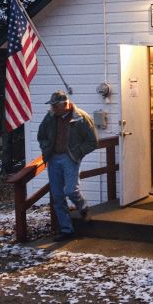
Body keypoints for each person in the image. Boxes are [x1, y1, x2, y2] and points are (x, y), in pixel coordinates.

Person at [37, 90, 98, 240]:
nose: (53, 109)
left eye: (55, 106)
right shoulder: (50, 117)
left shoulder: (81, 118)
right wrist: (46, 148)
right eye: (52, 106)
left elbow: (92, 141)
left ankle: (83, 207)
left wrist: (77, 153)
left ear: (65, 104)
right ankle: (66, 230)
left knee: (71, 190)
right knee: (57, 195)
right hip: (53, 159)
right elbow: (41, 136)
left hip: (70, 158)